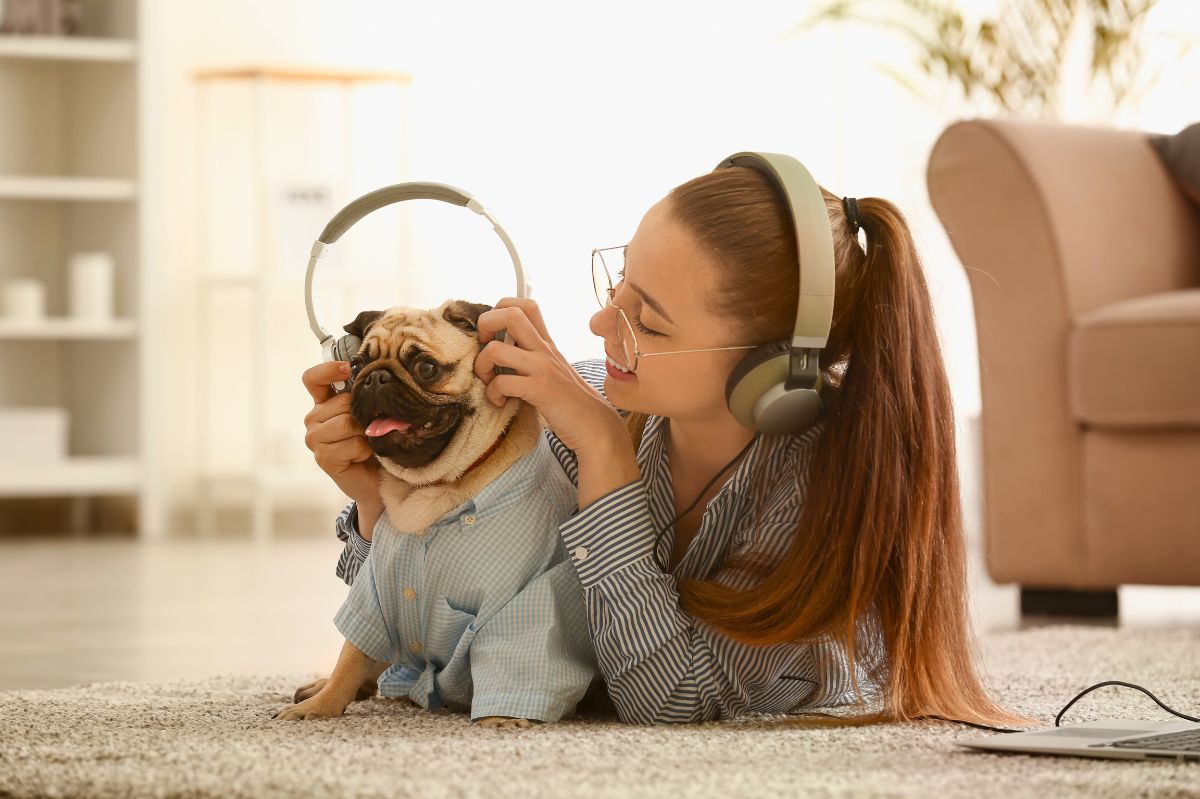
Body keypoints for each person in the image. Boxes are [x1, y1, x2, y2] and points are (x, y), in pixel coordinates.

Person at [301, 161, 1038, 728]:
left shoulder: (814, 496)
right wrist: (376, 499)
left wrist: (605, 456)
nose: (597, 325)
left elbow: (670, 697)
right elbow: (451, 625)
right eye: (619, 284)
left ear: (772, 374)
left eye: (647, 323)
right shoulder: (588, 404)